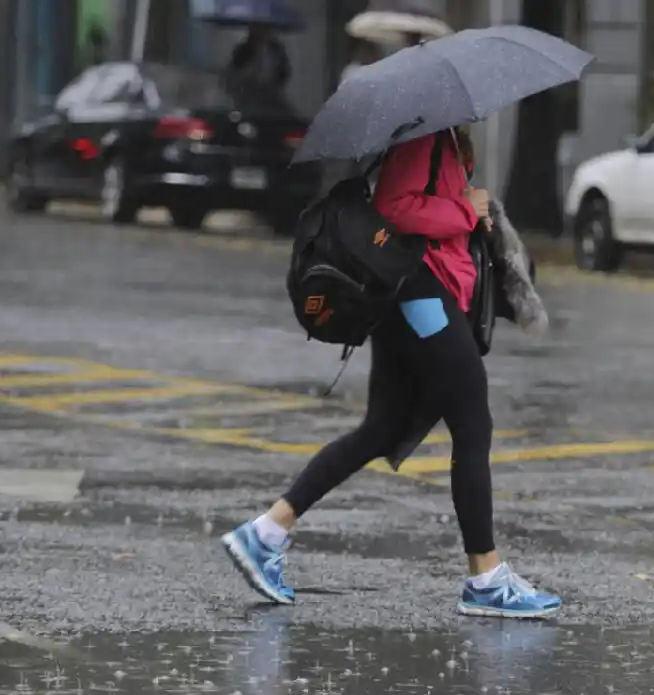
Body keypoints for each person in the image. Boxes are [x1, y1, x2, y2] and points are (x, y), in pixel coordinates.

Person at [221, 127, 563, 619]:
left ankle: (265, 532)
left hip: (425, 293)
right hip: (420, 294)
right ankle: (486, 577)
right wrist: (467, 209)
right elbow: (396, 208)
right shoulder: (422, 137)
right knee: (472, 422)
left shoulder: (444, 138)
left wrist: (472, 207)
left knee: (381, 428)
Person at [226, 23, 290, 92]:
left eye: (267, 29)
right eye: (260, 29)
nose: (263, 33)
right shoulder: (242, 50)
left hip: (270, 92)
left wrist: (275, 76)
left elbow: (284, 72)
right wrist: (244, 72)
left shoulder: (277, 49)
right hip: (247, 92)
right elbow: (233, 70)